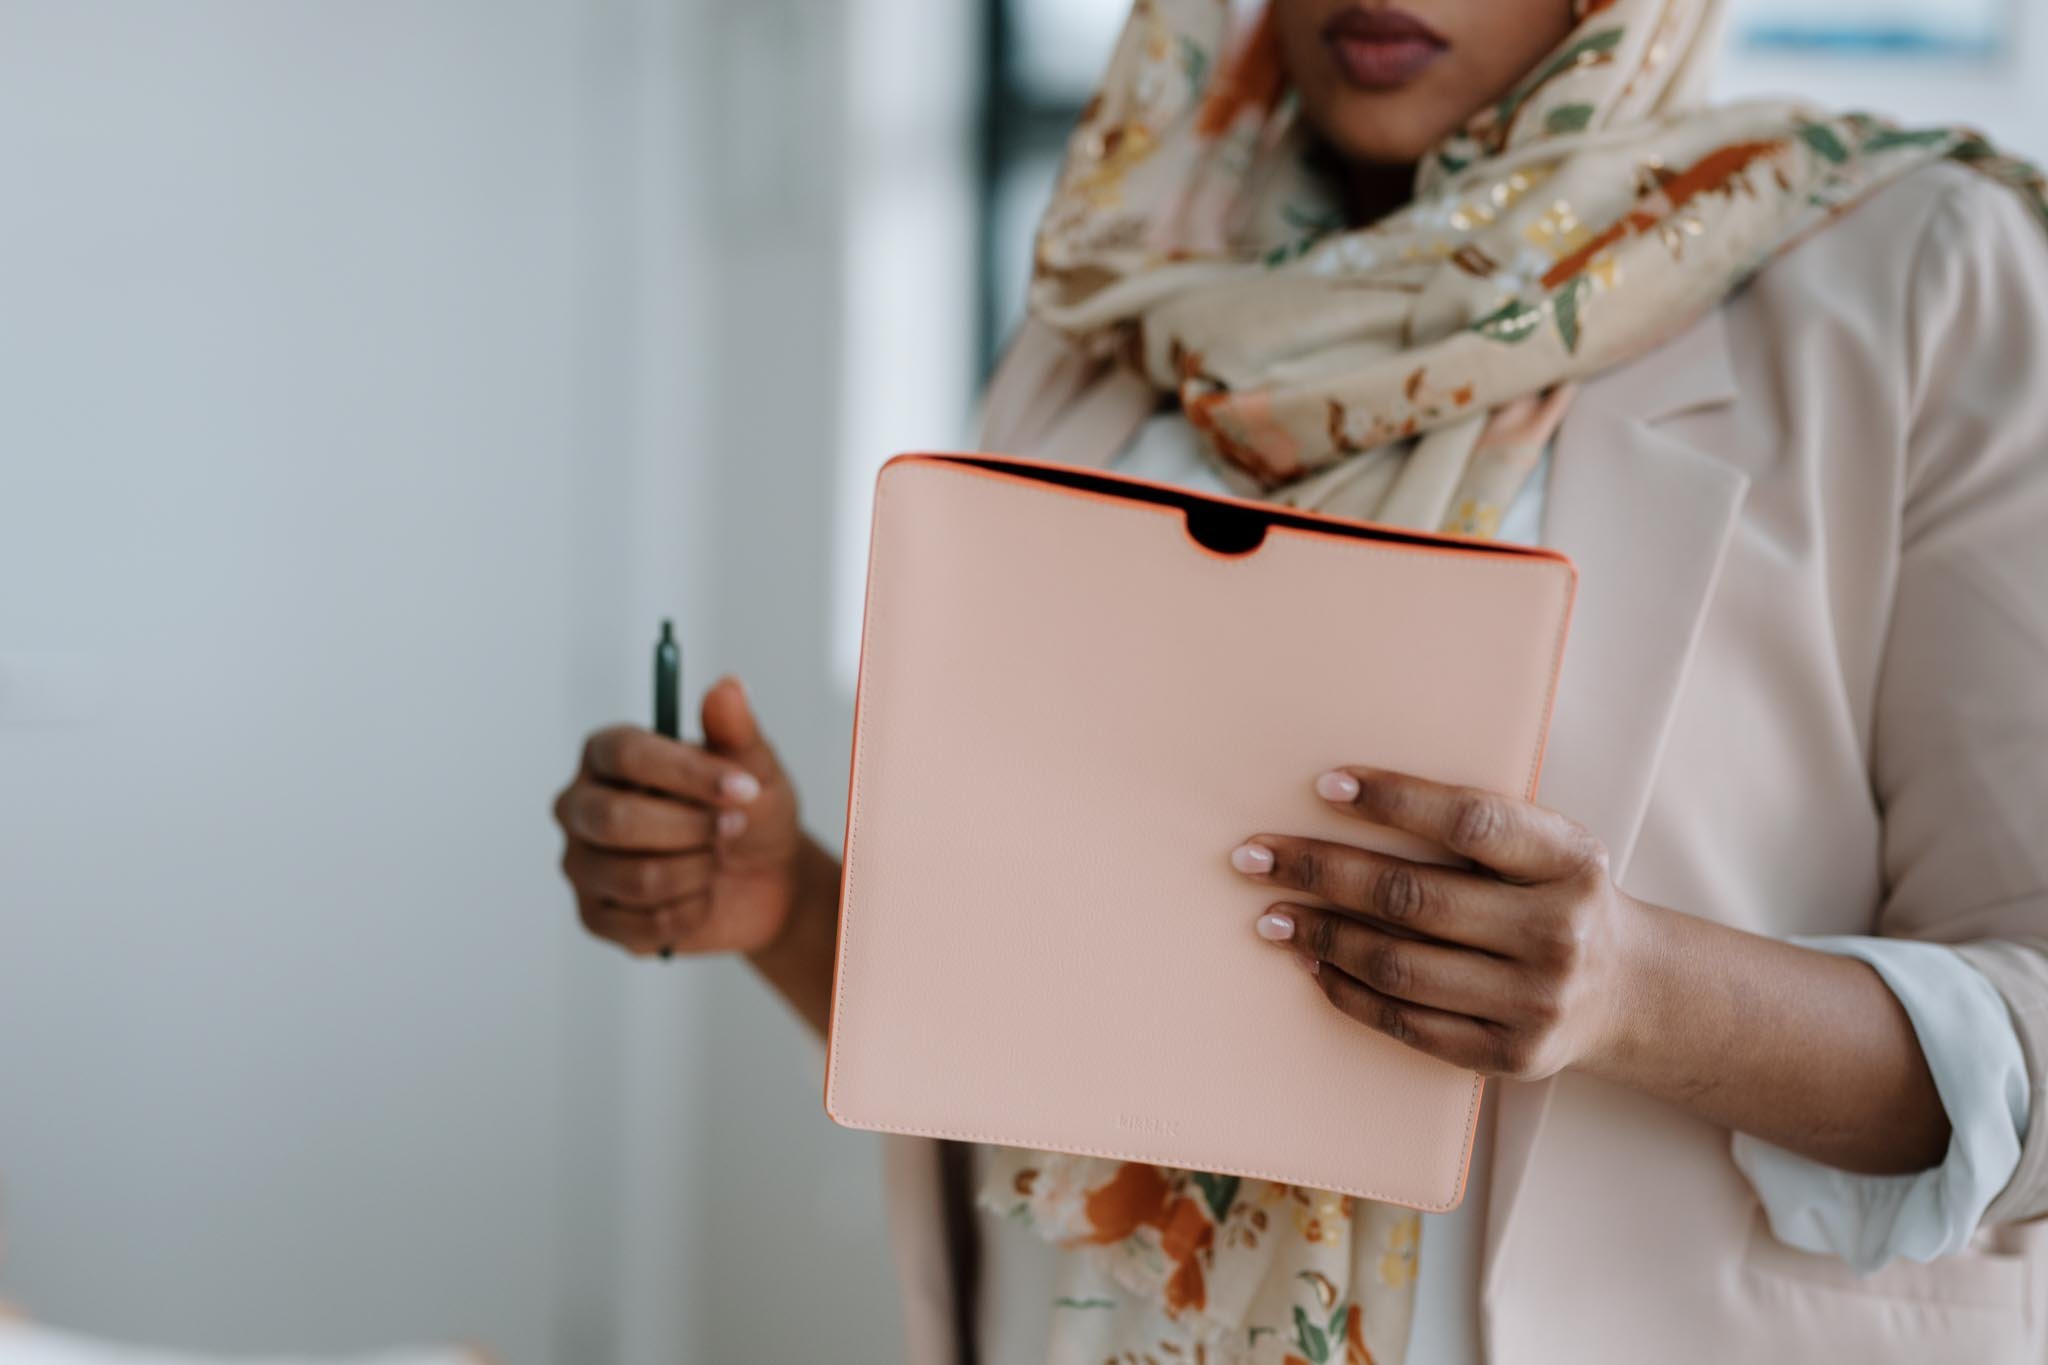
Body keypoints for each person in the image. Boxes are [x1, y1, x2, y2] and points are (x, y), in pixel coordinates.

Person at [549, 0, 2048, 1360]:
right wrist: (792, 903)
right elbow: (1067, 1025)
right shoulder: (1131, 310)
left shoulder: (1916, 279)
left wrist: (1640, 995)